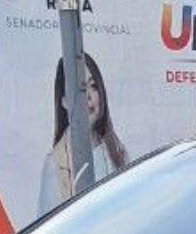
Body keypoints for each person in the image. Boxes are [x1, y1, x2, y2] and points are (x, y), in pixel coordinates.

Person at [38, 53, 129, 215]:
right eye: (79, 89)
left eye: (93, 86)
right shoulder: (54, 165)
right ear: (64, 101)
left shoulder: (118, 153)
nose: (88, 96)